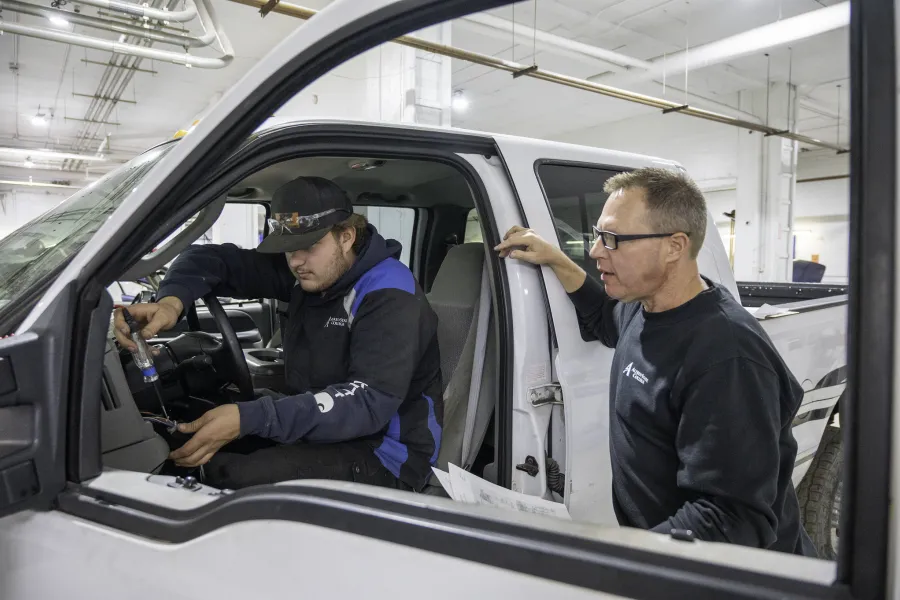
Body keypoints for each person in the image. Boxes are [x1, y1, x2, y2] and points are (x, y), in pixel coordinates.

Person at [495, 167, 816, 556]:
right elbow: (602, 317)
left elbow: (731, 519)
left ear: (674, 246)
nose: (596, 250)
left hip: (727, 577)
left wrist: (621, 559)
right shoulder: (644, 307)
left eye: (613, 239)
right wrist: (556, 259)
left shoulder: (727, 355)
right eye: (598, 236)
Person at [114, 176, 442, 492]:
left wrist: (254, 417)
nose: (296, 261)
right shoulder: (312, 271)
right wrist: (172, 303)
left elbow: (367, 402)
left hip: (386, 453)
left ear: (346, 237)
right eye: (288, 248)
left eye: (309, 245)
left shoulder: (388, 293)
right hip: (326, 426)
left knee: (231, 478)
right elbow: (208, 259)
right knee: (192, 429)